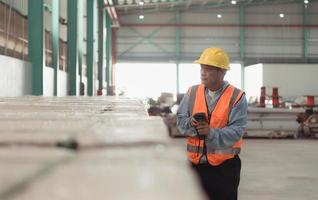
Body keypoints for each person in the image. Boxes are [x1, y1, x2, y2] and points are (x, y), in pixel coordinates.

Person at [176, 47, 247, 200]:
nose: (202, 72)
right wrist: (191, 123)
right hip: (195, 166)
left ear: (222, 72)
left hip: (224, 169)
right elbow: (180, 121)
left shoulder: (237, 96)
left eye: (208, 69)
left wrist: (211, 133)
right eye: (202, 68)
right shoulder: (192, 92)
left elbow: (237, 130)